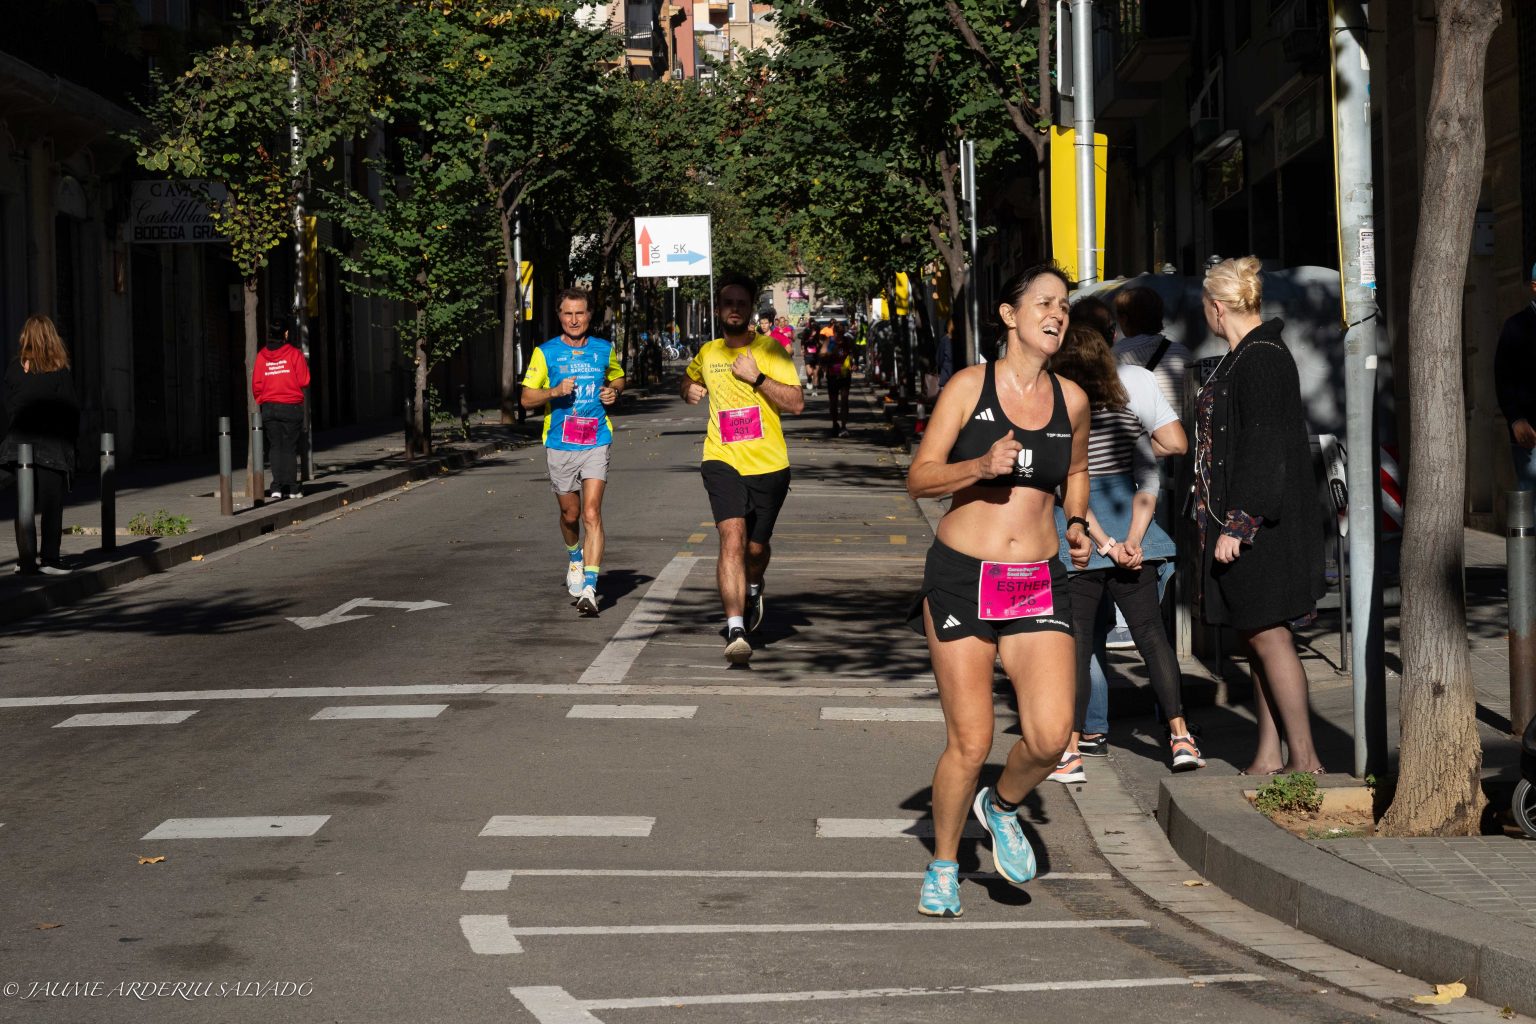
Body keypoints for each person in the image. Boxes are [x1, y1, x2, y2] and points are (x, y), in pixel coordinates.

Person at [905, 263, 1092, 918]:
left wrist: (1076, 523)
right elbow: (920, 478)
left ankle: (1002, 805)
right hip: (964, 577)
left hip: (1036, 580)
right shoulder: (968, 386)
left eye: (1064, 305)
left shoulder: (1072, 400)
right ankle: (944, 865)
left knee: (1050, 735)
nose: (1057, 314)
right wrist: (979, 466)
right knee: (972, 740)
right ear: (1010, 316)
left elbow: (1075, 472)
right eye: (1044, 303)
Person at [1044, 323, 1198, 783]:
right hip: (1135, 539)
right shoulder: (1128, 416)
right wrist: (1132, 539)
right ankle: (1181, 737)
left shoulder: (1060, 418)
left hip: (1078, 543)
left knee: (1077, 643)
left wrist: (1104, 544)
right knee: (1152, 636)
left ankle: (1071, 750)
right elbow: (1148, 481)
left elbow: (1067, 490)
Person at [1197, 257, 1326, 775]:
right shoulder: (1243, 356)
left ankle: (1306, 758)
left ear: (1217, 307)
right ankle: (1269, 754)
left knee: (1270, 636)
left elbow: (1264, 444)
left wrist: (1240, 522)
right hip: (1242, 520)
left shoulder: (1262, 358)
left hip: (1262, 527)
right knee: (1255, 636)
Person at [682, 273, 804, 663]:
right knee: (731, 538)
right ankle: (736, 628)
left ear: (751, 309)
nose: (734, 309)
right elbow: (688, 381)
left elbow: (796, 403)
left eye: (741, 303)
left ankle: (753, 585)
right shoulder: (708, 352)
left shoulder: (771, 351)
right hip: (722, 459)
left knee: (755, 548)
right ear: (718, 309)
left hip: (769, 464)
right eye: (728, 303)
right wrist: (689, 390)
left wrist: (758, 377)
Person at [520, 287, 626, 617]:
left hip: (596, 438)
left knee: (592, 513)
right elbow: (526, 398)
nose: (574, 319)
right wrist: (554, 391)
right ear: (559, 316)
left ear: (589, 315)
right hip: (560, 443)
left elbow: (618, 378)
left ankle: (590, 588)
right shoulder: (545, 353)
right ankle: (575, 557)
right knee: (571, 515)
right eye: (568, 313)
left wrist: (613, 392)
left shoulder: (603, 349)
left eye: (580, 313)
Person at [2, 315, 80, 575]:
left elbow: (7, 405)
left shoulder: (14, 368)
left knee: (24, 502)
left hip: (19, 445)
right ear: (51, 338)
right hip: (51, 446)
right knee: (51, 504)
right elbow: (71, 409)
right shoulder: (59, 370)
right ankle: (49, 559)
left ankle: (25, 560)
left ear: (25, 337)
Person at [252, 316, 310, 500]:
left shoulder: (261, 356)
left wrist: (263, 400)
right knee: (290, 447)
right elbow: (304, 380)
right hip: (291, 406)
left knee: (275, 446)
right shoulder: (294, 354)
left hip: (270, 407)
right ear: (285, 334)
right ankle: (292, 488)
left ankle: (276, 487)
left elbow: (256, 384)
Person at [1495, 263, 1536, 491]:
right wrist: (1516, 419)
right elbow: (1503, 378)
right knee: (1532, 499)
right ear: (1534, 287)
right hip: (1530, 433)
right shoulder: (1516, 326)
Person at [822, 322, 853, 437]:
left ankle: (844, 426)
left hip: (845, 374)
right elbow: (822, 354)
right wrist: (830, 353)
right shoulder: (829, 341)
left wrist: (852, 362)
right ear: (834, 332)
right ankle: (835, 424)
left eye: (842, 333)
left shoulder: (847, 341)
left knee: (844, 400)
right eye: (838, 333)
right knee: (833, 402)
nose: (840, 335)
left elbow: (852, 353)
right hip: (832, 375)